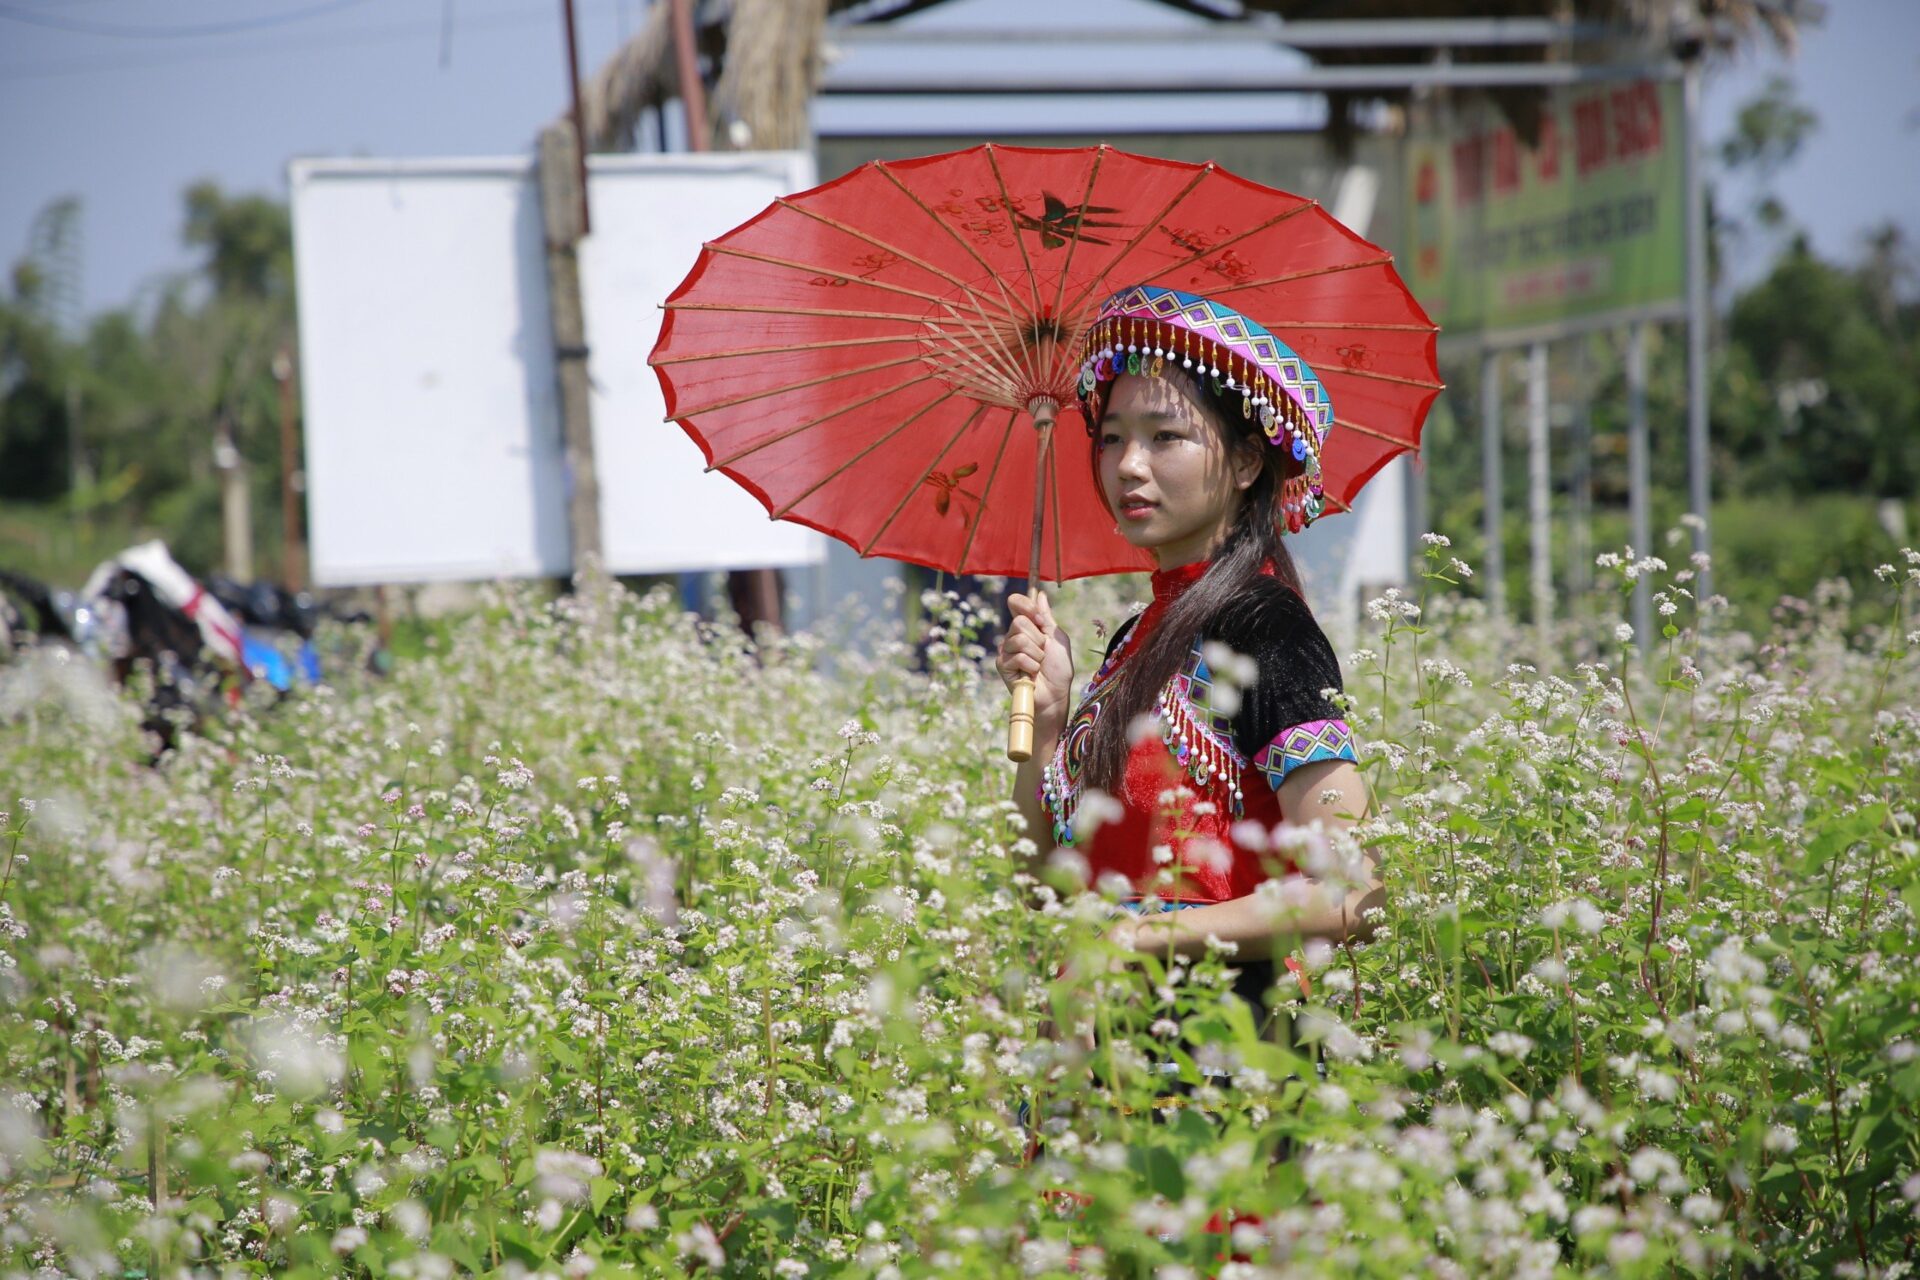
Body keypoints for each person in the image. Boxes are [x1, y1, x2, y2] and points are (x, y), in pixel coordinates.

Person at [995, 282, 1383, 1049]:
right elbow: (1049, 890)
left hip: (1218, 1065)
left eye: (1164, 437)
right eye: (1110, 438)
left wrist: (1140, 937)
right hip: (1098, 1061)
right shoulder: (1137, 638)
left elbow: (1354, 894)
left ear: (1245, 461)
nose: (1128, 465)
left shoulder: (1266, 629)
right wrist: (1045, 728)